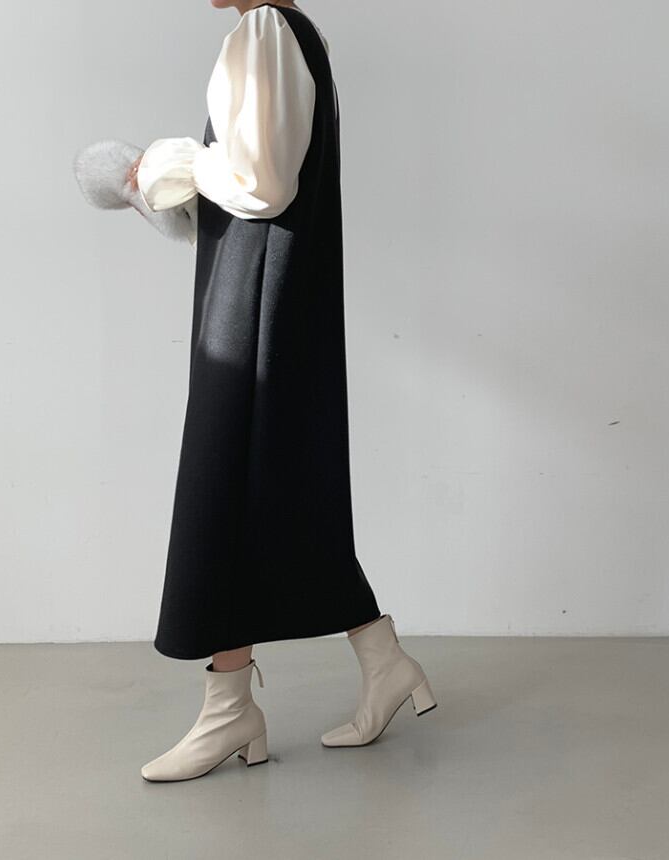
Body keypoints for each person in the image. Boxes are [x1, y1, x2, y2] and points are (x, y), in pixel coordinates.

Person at [126, 0, 436, 783]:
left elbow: (262, 185)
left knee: (226, 490)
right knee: (276, 492)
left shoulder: (263, 29)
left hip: (255, 296)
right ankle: (380, 663)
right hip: (273, 291)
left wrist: (174, 161)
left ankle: (230, 713)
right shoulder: (294, 30)